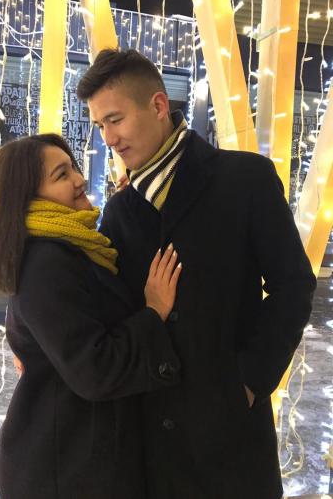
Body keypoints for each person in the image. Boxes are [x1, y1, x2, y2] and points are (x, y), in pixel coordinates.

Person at [77, 48, 317, 499]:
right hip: (150, 443)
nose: (108, 138)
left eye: (115, 119)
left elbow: (293, 286)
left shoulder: (245, 179)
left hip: (231, 442)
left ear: (158, 105)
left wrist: (250, 381)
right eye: (99, 126)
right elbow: (104, 307)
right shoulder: (121, 211)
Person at [0, 133, 183, 499]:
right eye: (61, 175)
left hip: (80, 454)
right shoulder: (45, 262)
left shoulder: (74, 249)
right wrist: (154, 312)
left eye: (73, 167)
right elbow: (94, 370)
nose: (79, 179)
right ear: (29, 199)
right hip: (64, 469)